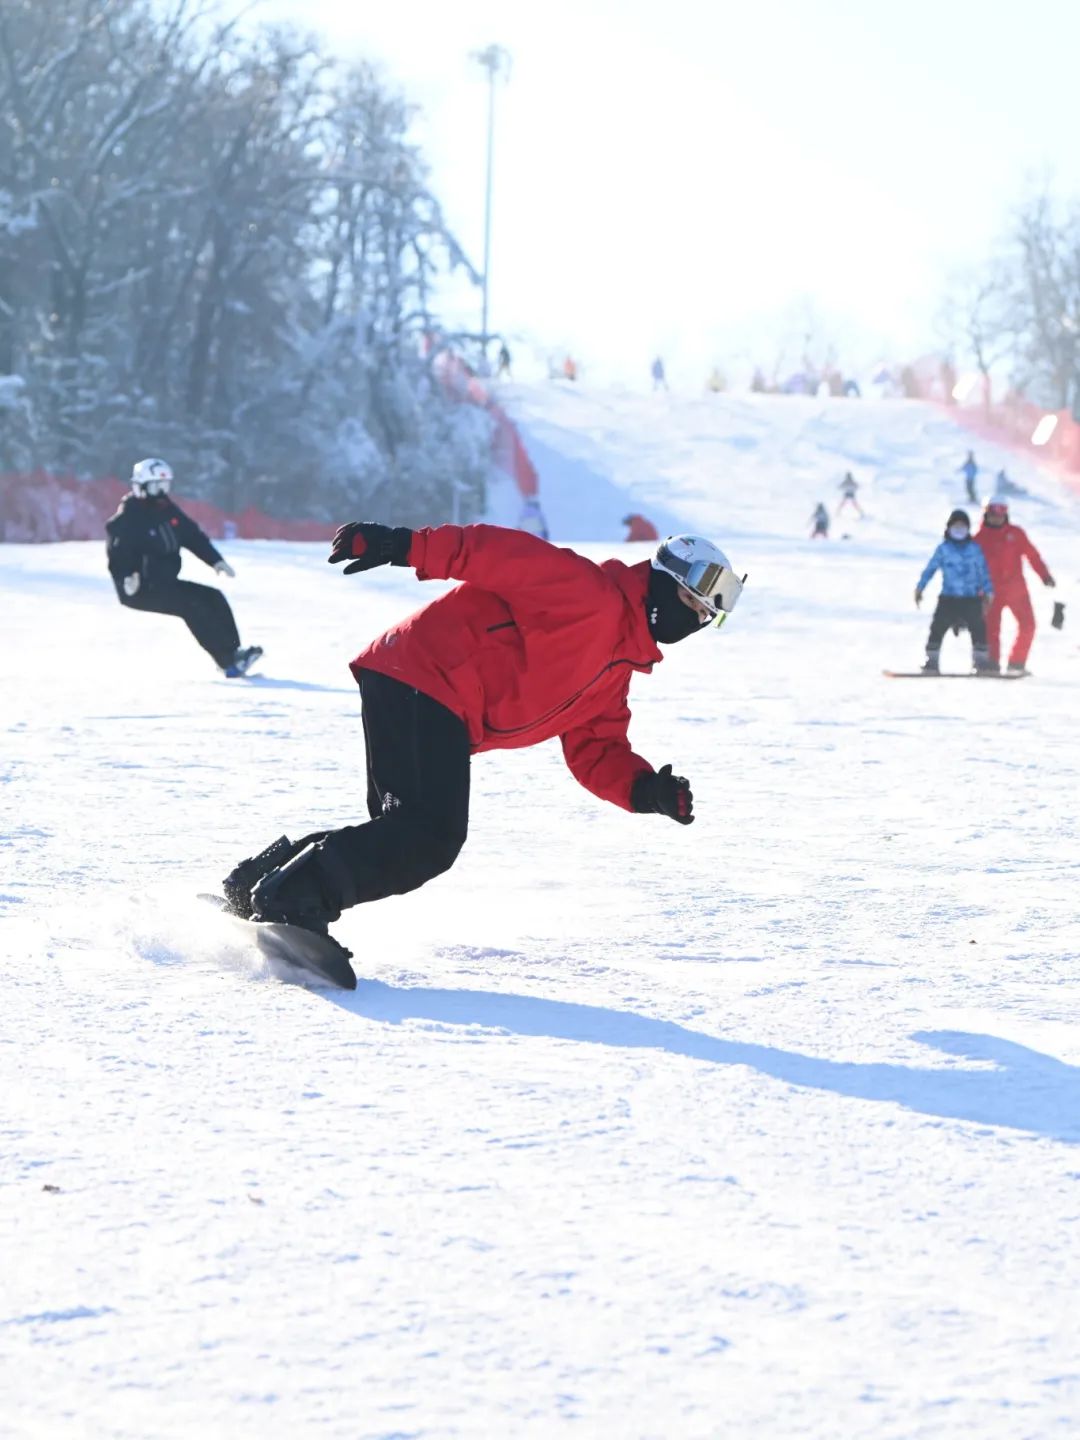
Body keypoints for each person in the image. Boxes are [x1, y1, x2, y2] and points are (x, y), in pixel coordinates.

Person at [219, 524, 746, 939]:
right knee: (428, 837)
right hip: (426, 677)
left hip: (417, 686)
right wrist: (403, 544)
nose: (692, 622)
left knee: (405, 831)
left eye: (704, 617)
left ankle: (259, 887)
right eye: (690, 604)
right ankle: (293, 899)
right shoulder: (587, 593)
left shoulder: (615, 673)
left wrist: (646, 790)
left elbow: (597, 750)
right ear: (660, 580)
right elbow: (493, 552)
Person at [105, 458, 262, 677]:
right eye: (155, 487)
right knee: (191, 606)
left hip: (164, 583)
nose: (161, 492)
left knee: (213, 597)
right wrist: (126, 578)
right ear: (140, 487)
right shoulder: (128, 519)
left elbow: (192, 536)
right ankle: (227, 662)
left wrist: (215, 560)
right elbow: (117, 554)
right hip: (140, 588)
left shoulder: (166, 510)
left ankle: (234, 653)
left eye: (165, 486)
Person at [975, 500, 1056, 673]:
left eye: (1001, 513)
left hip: (1016, 589)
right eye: (993, 514)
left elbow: (1032, 555)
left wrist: (1044, 574)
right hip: (990, 592)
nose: (997, 517)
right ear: (986, 514)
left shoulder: (1016, 534)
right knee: (991, 629)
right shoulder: (978, 539)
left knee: (1028, 625)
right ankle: (991, 663)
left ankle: (1017, 662)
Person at [914, 508, 994, 673]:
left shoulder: (974, 549)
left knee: (978, 628)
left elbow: (983, 571)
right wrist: (920, 588)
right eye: (955, 526)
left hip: (971, 598)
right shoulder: (944, 549)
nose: (959, 530)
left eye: (962, 526)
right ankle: (931, 661)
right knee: (937, 627)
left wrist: (988, 591)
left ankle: (980, 662)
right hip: (949, 598)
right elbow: (930, 569)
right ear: (949, 528)